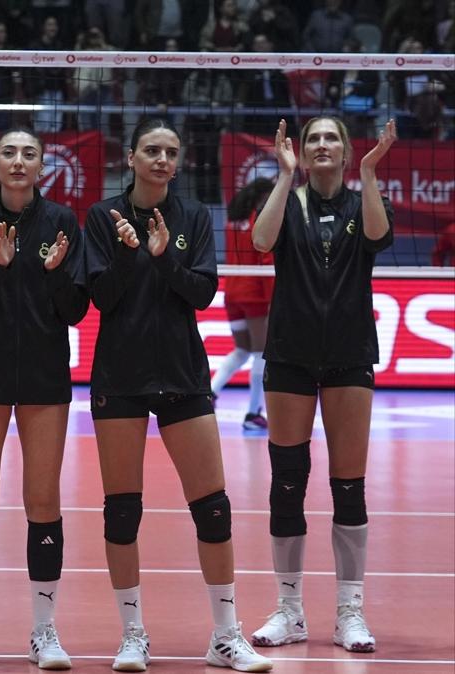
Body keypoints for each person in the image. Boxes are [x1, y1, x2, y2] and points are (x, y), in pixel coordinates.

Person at [84, 118, 272, 672]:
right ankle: (132, 635)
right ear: (132, 158)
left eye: (170, 151)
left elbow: (203, 293)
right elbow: (101, 298)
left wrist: (164, 255)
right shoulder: (103, 216)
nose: (162, 159)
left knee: (212, 508)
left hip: (182, 370)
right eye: (151, 150)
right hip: (120, 373)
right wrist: (127, 253)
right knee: (122, 512)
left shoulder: (192, 215)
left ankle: (225, 636)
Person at [0, 128, 88, 671]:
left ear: (42, 165)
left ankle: (44, 631)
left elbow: (76, 310)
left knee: (43, 501)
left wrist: (54, 275)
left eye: (29, 154)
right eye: (9, 152)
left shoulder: (63, 221)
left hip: (45, 378)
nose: (19, 161)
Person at [250, 117, 397, 654]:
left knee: (348, 486)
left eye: (331, 137)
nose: (321, 145)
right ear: (302, 150)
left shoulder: (365, 202)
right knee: (288, 481)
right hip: (290, 354)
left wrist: (370, 173)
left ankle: (349, 613)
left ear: (347, 150)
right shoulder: (288, 200)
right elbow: (261, 241)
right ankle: (289, 611)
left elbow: (378, 238)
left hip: (350, 354)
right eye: (313, 138)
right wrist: (285, 175)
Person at [211, 177, 275, 431]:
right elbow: (265, 259)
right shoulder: (260, 220)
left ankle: (210, 392)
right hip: (255, 293)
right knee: (261, 352)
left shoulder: (232, 220)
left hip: (231, 292)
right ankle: (253, 413)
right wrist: (273, 300)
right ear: (262, 196)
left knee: (242, 350)